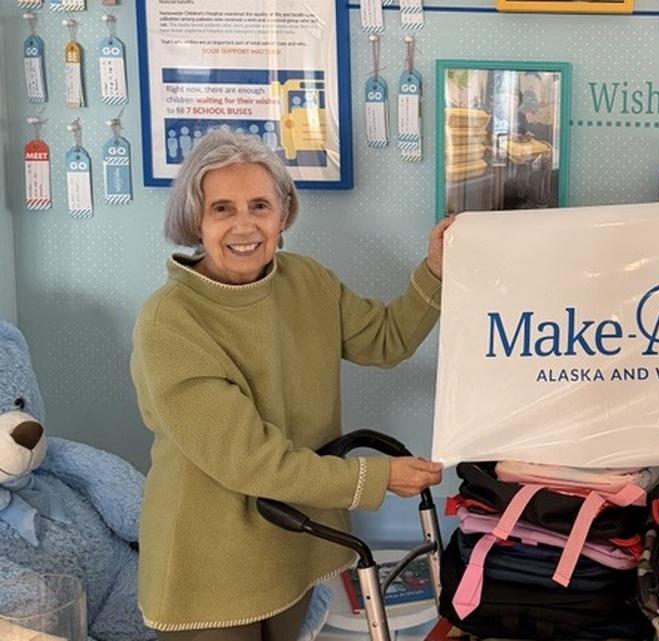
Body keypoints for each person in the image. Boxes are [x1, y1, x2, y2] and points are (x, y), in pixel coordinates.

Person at [130, 130, 453, 640]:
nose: (244, 225)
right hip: (209, 562)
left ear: (283, 215)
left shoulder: (307, 281)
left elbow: (387, 340)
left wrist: (436, 271)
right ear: (195, 220)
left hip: (290, 542)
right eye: (221, 208)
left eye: (259, 205)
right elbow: (249, 459)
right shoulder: (170, 322)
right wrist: (374, 478)